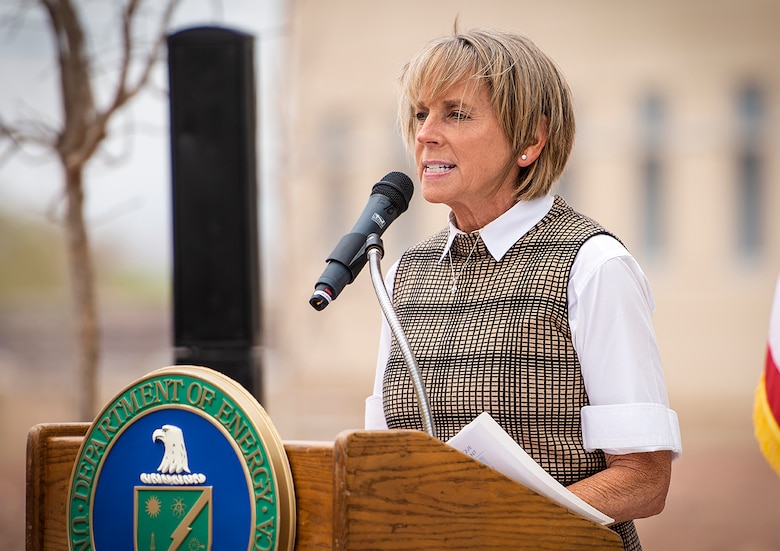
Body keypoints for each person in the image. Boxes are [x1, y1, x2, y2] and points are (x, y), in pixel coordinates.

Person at [364, 28, 682, 550]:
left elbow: (644, 480)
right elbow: (384, 459)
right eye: (422, 113)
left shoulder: (593, 263)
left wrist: (496, 525)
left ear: (530, 141)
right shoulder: (402, 273)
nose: (426, 134)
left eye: (456, 113)